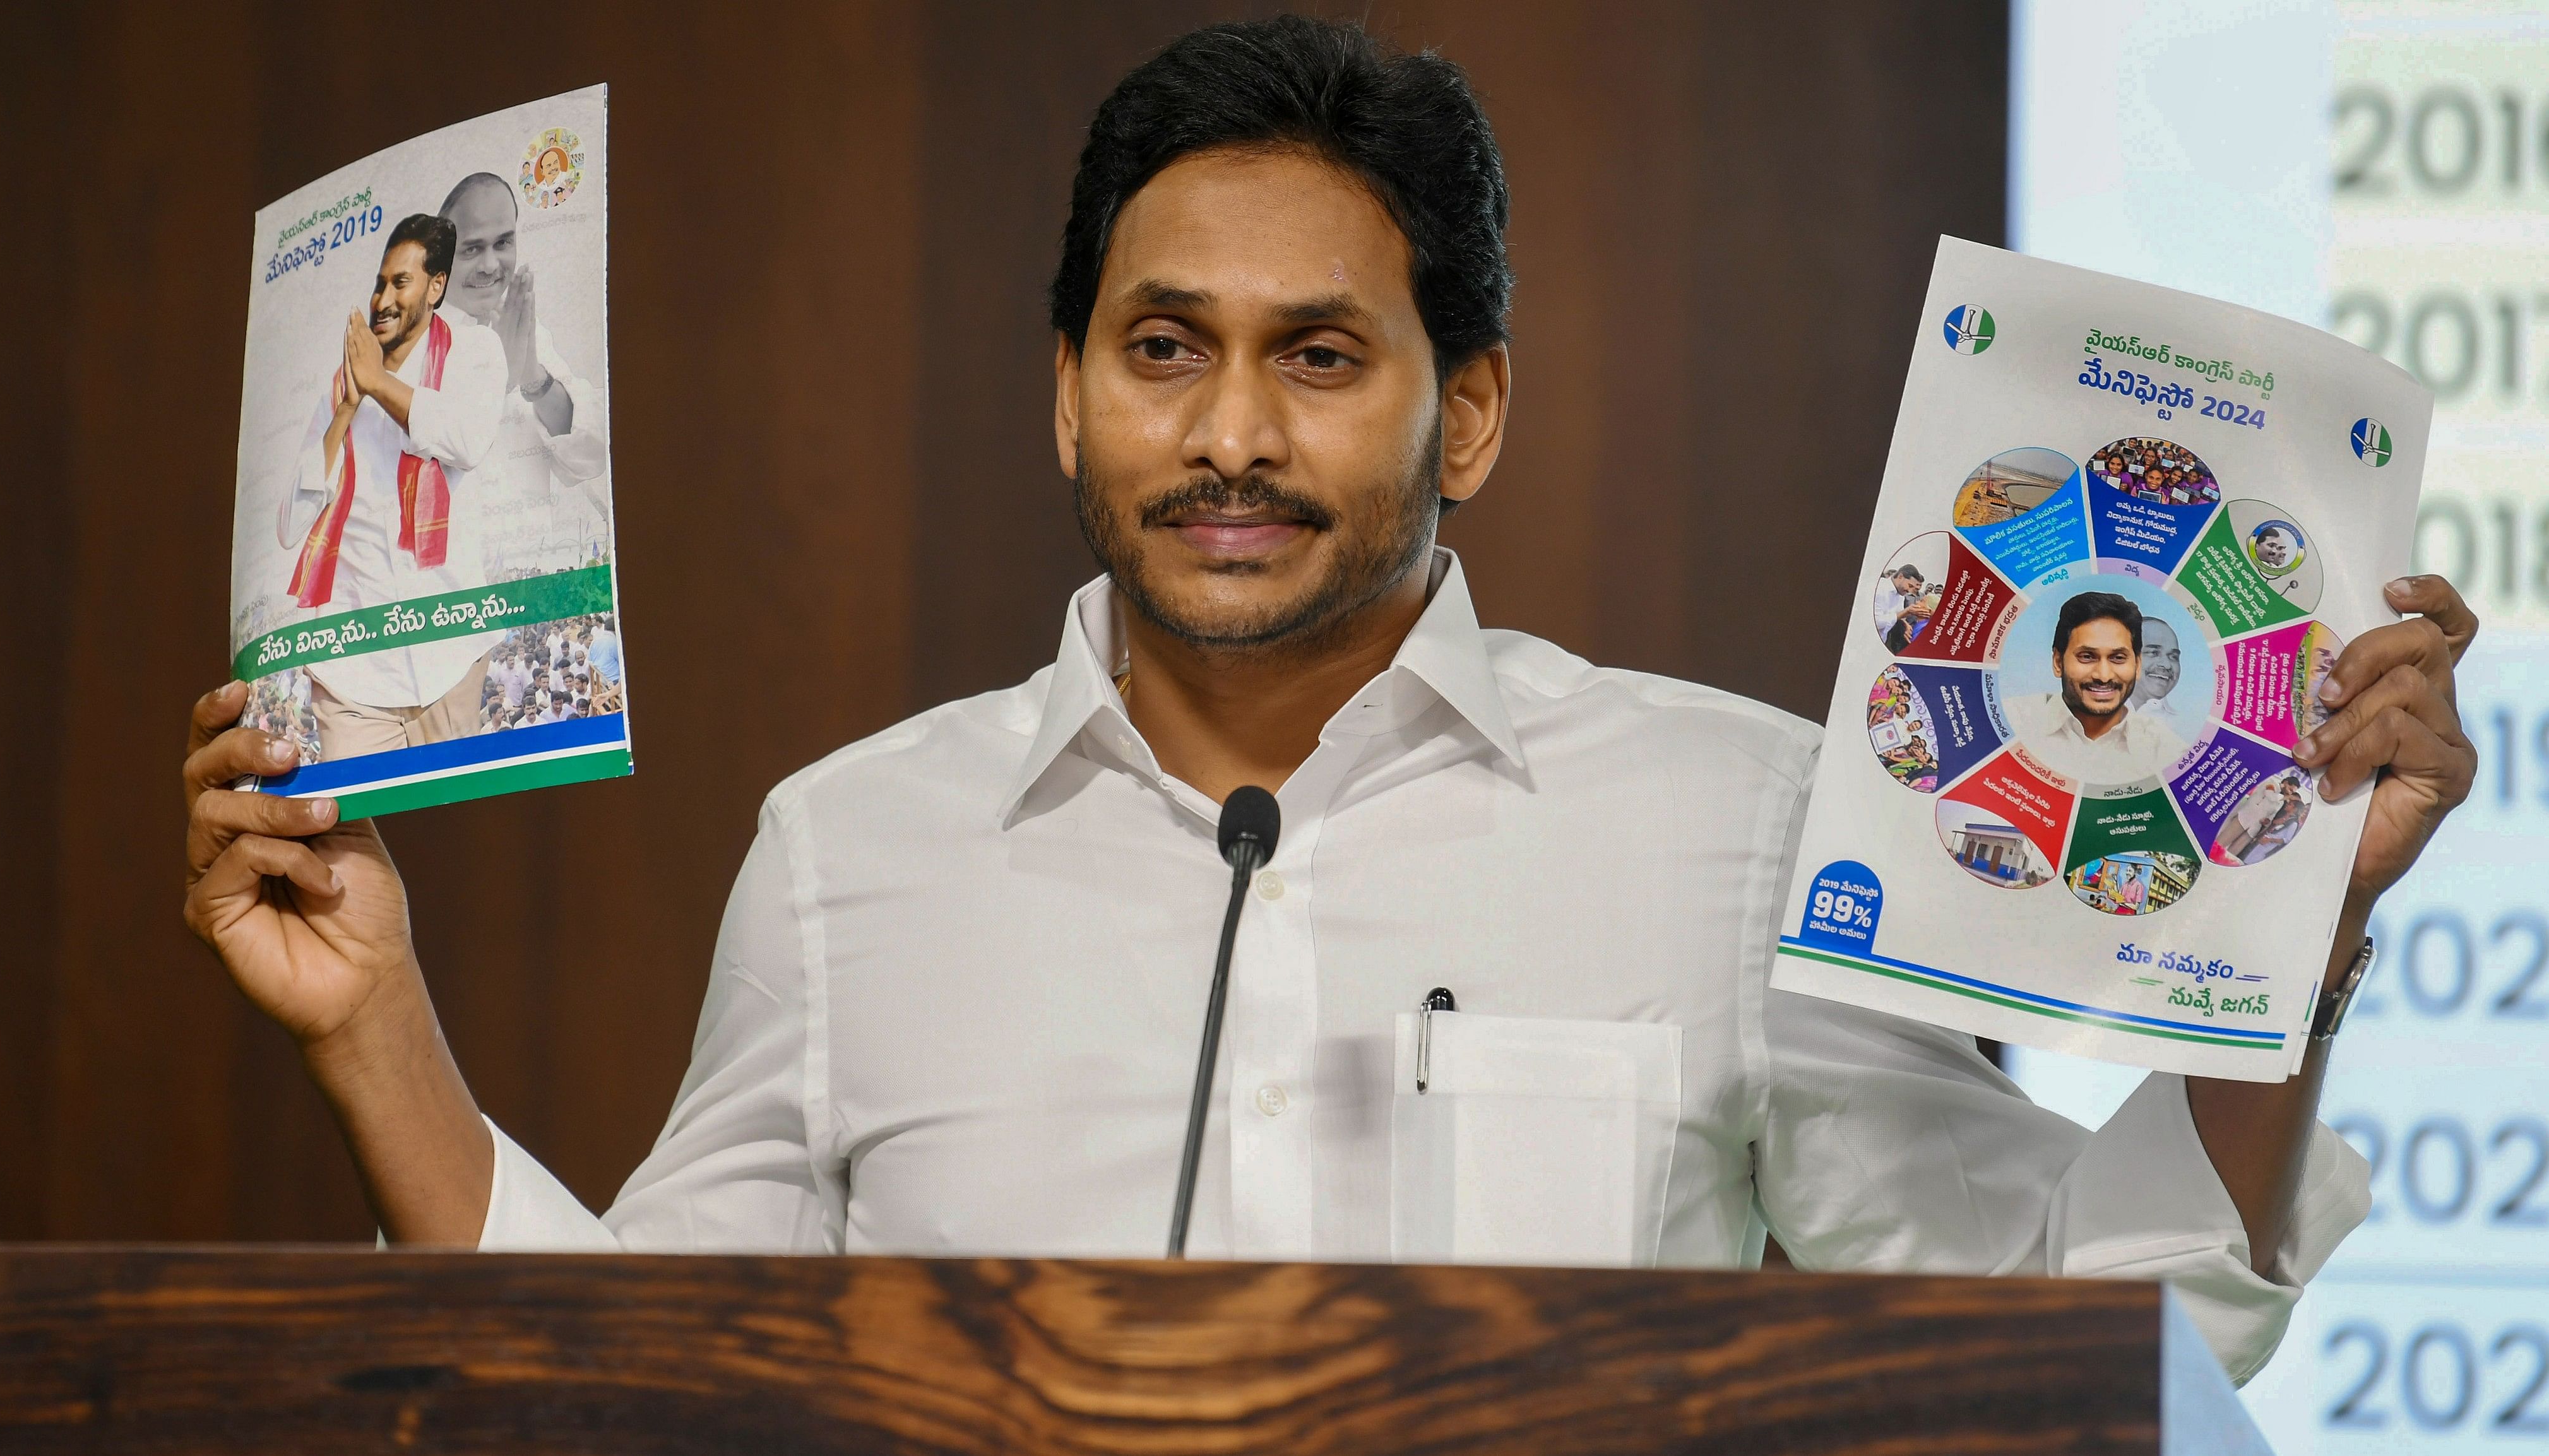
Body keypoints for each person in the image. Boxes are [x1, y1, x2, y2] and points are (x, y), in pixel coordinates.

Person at [182, 16, 2480, 1385]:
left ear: (1461, 413)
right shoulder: (844, 848)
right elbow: (624, 1386)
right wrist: (379, 1026)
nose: (1229, 436)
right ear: (1065, 400)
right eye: (1160, 347)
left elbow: (2101, 1311)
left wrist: (2286, 939)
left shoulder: (1735, 812)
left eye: (1318, 355)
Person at [275, 215, 509, 759]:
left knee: (450, 834)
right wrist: (347, 408)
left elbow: (466, 441)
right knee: (352, 836)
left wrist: (379, 382)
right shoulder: (341, 388)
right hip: (354, 680)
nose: (382, 298)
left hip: (449, 661)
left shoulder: (475, 352)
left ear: (436, 287)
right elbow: (289, 527)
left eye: (400, 283)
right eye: (380, 283)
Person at [436, 173, 609, 545]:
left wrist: (534, 378)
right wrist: (497, 383)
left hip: (533, 576)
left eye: (503, 243)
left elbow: (591, 458)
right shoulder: (413, 343)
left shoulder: (525, 325)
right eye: (471, 249)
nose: (490, 265)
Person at [2005, 593, 2192, 783]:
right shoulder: (2011, 724)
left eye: (2118, 658)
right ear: (2058, 662)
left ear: (2137, 665)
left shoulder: (2169, 754)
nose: (2104, 676)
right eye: (2087, 656)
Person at [2130, 617, 2192, 730]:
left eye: (2173, 657)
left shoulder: (2185, 727)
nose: (2167, 665)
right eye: (2154, 653)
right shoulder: (2095, 715)